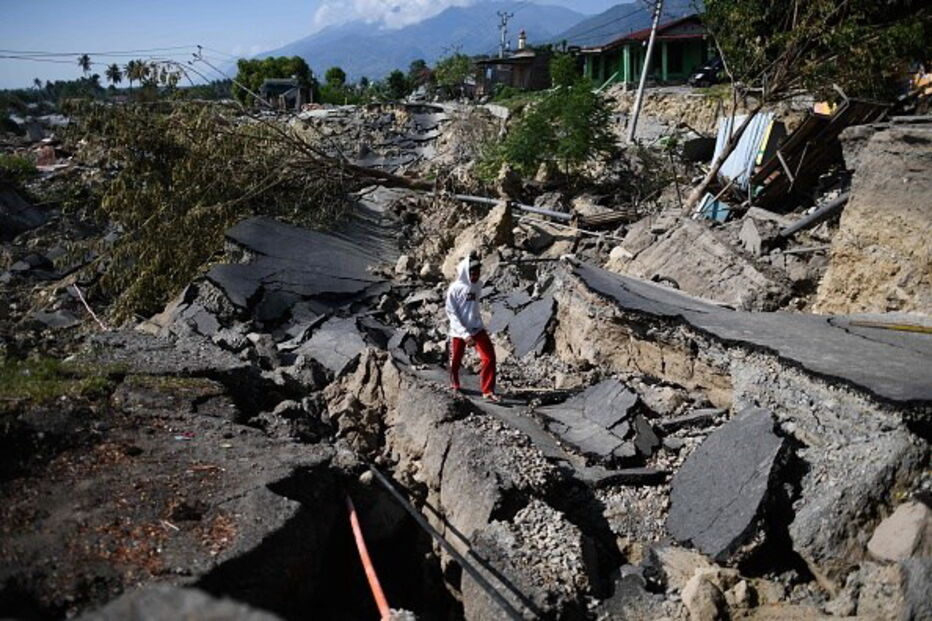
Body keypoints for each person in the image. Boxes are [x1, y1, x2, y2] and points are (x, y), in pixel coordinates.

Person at [445, 253, 499, 401]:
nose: (475, 276)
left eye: (477, 273)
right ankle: (454, 384)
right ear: (465, 273)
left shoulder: (477, 285)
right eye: (472, 273)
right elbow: (451, 313)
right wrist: (464, 334)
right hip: (459, 331)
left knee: (489, 358)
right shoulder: (455, 289)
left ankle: (488, 390)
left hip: (476, 328)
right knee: (455, 360)